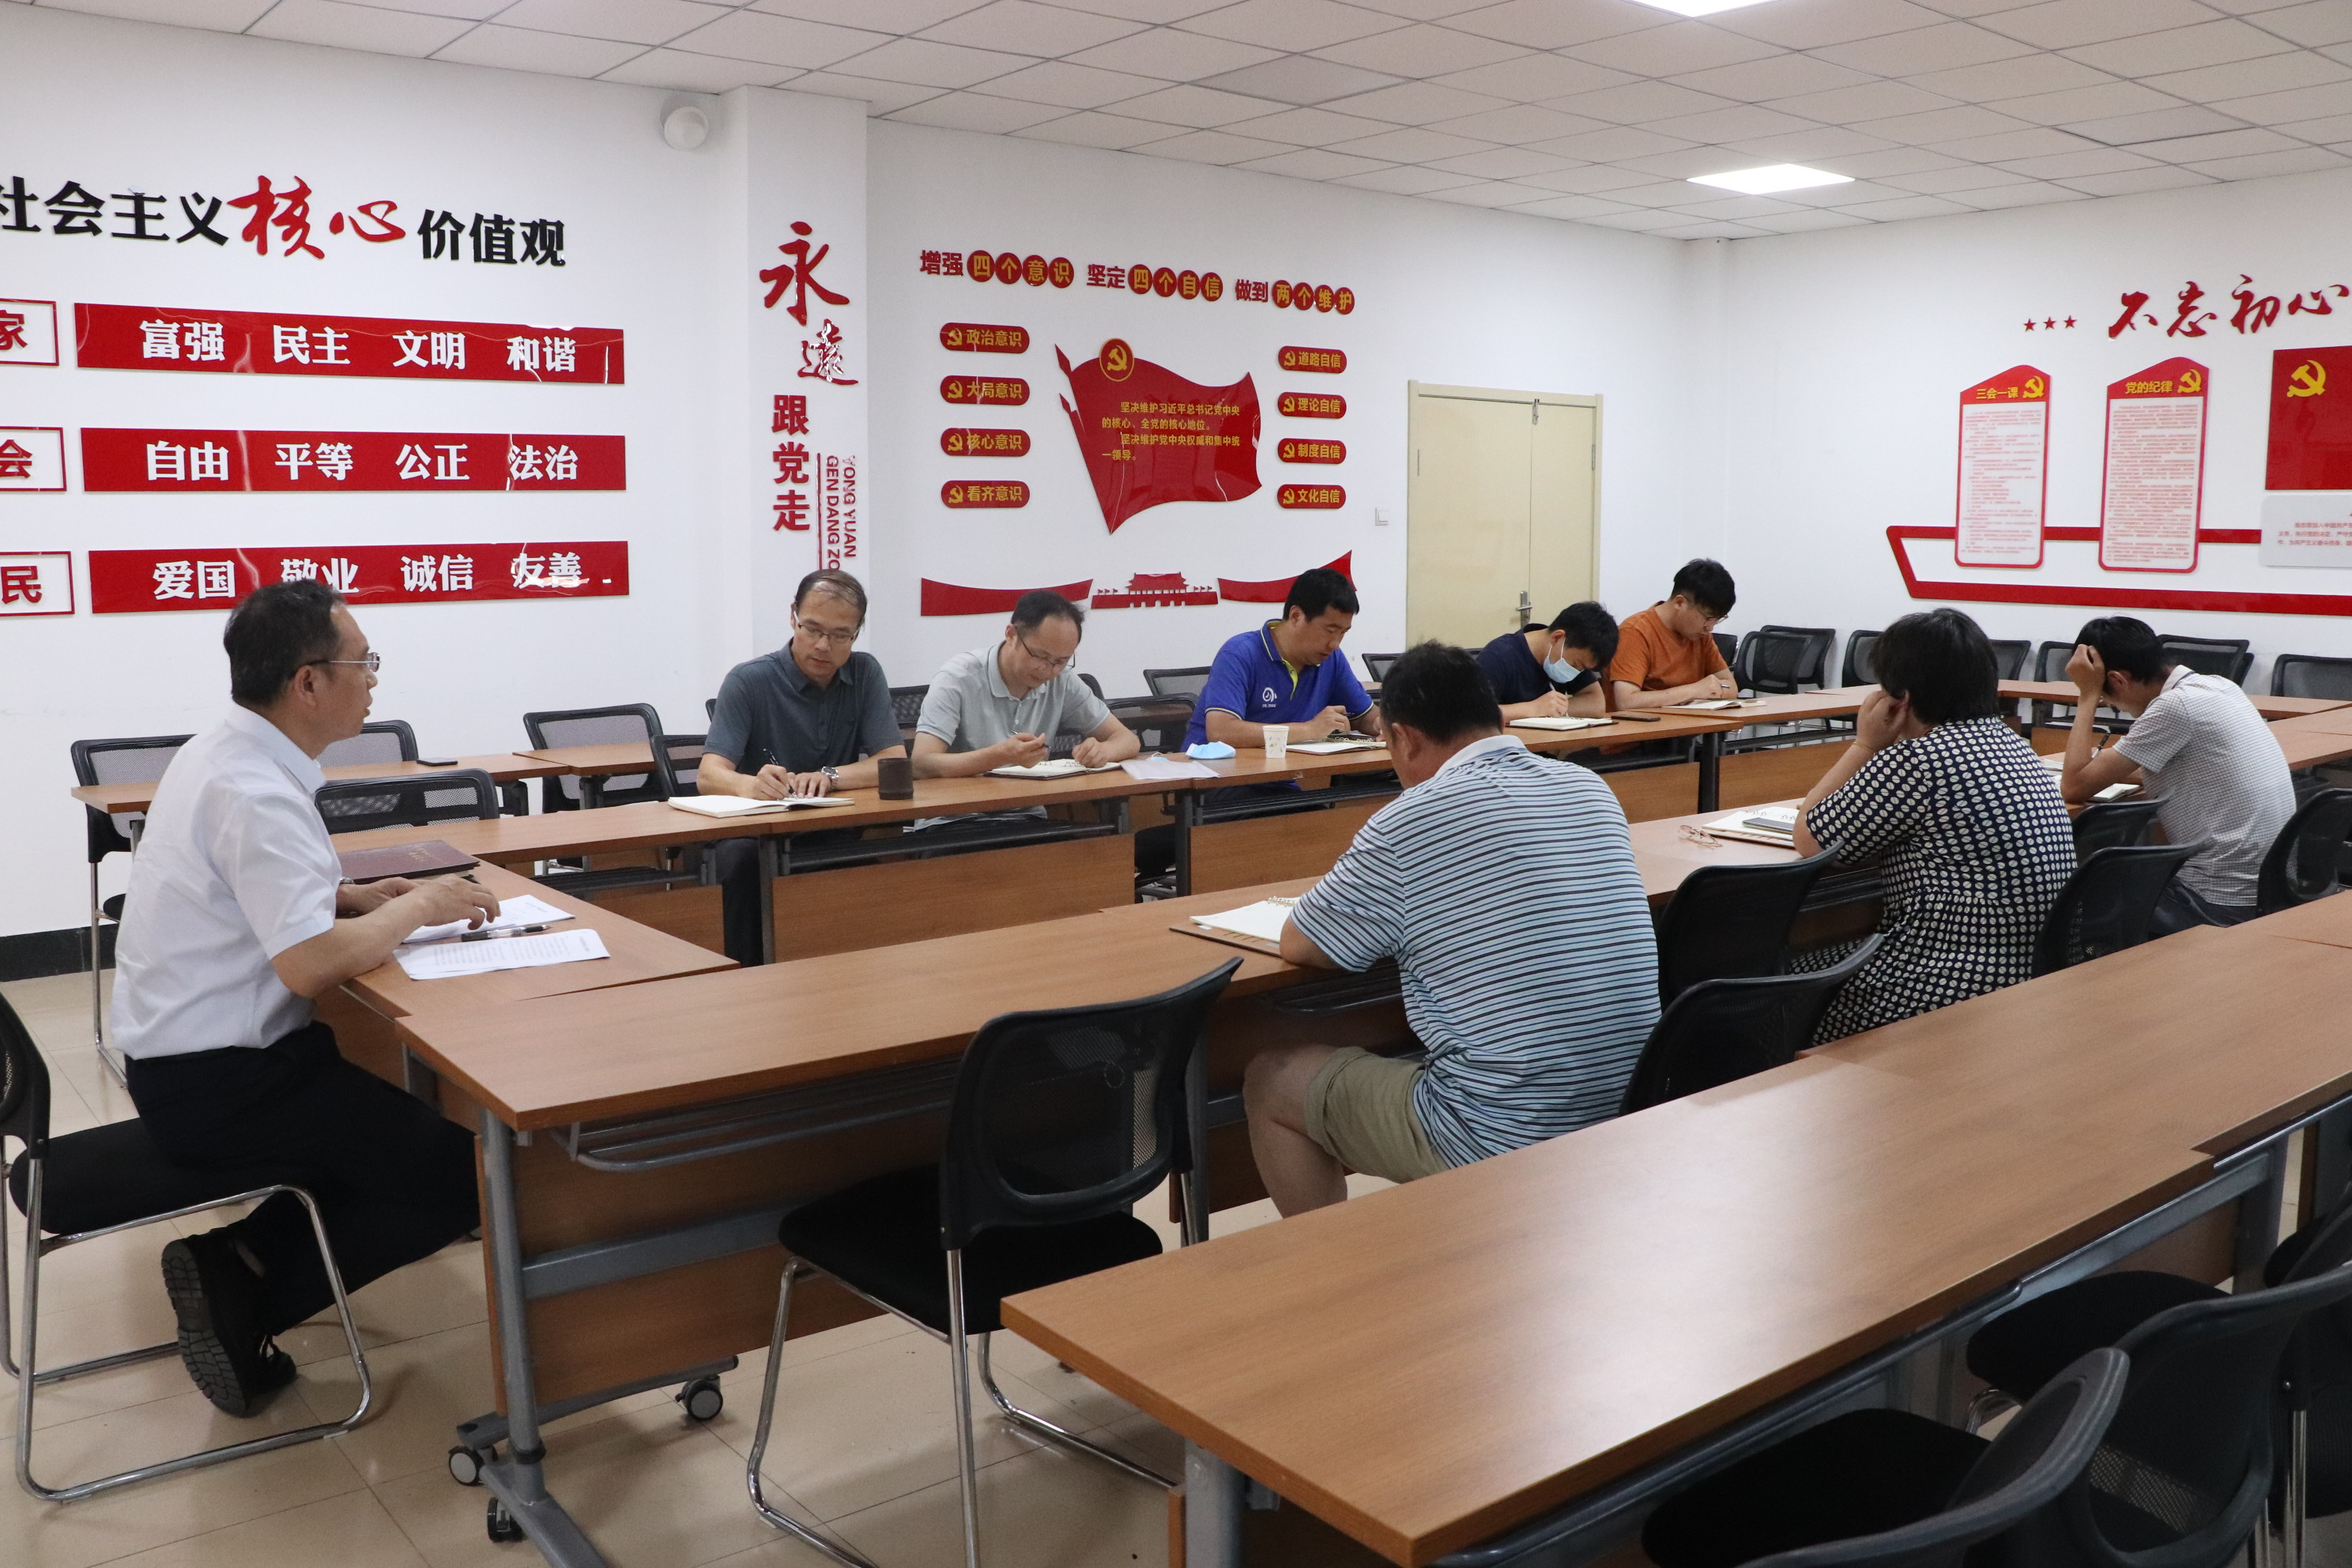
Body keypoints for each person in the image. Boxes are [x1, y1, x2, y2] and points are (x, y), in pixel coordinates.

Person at [111, 580, 496, 1417]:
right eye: (364, 662)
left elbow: (252, 896)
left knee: (385, 1138)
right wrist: (420, 906)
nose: (374, 678)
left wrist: (352, 898)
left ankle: (245, 1259)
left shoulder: (226, 753)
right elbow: (309, 966)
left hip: (198, 1061)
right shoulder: (254, 789)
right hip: (223, 1083)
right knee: (456, 1177)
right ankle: (242, 1288)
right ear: (309, 682)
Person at [1242, 643, 1660, 1216]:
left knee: (1272, 1078)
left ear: (1404, 738)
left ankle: (1331, 1266)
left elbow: (1302, 943)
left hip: (1503, 1134)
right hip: (1632, 1105)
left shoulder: (1409, 821)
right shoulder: (1589, 788)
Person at [1792, 607, 2075, 1042]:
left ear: (1899, 698)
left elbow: (1811, 837)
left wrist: (1865, 743)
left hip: (1941, 980)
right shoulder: (2013, 743)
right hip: (2029, 971)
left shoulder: (1919, 759)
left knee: (1785, 977)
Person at [700, 570, 907, 964]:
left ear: (857, 633)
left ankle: (856, 971)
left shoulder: (864, 673)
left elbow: (893, 760)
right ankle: (749, 972)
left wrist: (830, 777)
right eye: (812, 629)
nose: (823, 646)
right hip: (758, 832)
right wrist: (749, 785)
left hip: (831, 825)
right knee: (741, 860)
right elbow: (709, 774)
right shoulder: (749, 681)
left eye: (841, 635)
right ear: (793, 616)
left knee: (885, 863)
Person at [2060, 616, 2294, 932]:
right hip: (2273, 889)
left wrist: (2086, 695)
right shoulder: (2219, 685)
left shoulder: (2174, 707)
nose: (2110, 704)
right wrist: (2105, 770)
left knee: (2079, 900)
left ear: (2118, 680)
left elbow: (2073, 787)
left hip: (2218, 900)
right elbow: (2186, 769)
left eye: (2106, 698)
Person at [911, 590, 1139, 778]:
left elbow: (1128, 740)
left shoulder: (1063, 680)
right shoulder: (957, 678)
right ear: (1011, 635)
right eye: (1040, 656)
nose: (1048, 670)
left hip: (1031, 809)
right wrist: (1000, 756)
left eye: (1061, 661)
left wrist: (1103, 751)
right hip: (961, 812)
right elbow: (921, 764)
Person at [1185, 566, 1382, 749]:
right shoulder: (1239, 653)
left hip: (1289, 771)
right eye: (1330, 630)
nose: (1335, 644)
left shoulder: (1332, 659)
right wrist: (1309, 730)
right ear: (1296, 616)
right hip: (1215, 771)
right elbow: (1221, 732)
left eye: (1343, 633)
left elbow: (1363, 716)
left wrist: (1382, 725)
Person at [1608, 559, 1740, 711]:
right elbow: (1626, 701)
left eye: (1717, 619)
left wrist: (1704, 691)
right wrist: (1693, 691)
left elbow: (1731, 687)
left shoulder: (1701, 636)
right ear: (1680, 603)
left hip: (1688, 723)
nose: (1710, 627)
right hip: (1642, 725)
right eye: (1708, 617)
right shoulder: (1635, 631)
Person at [1475, 603, 1618, 722]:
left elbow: (1596, 704)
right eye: (1575, 665)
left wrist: (1555, 708)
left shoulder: (1574, 653)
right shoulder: (1499, 655)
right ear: (1557, 638)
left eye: (1583, 668)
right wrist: (1534, 709)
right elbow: (1472, 715)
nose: (1576, 671)